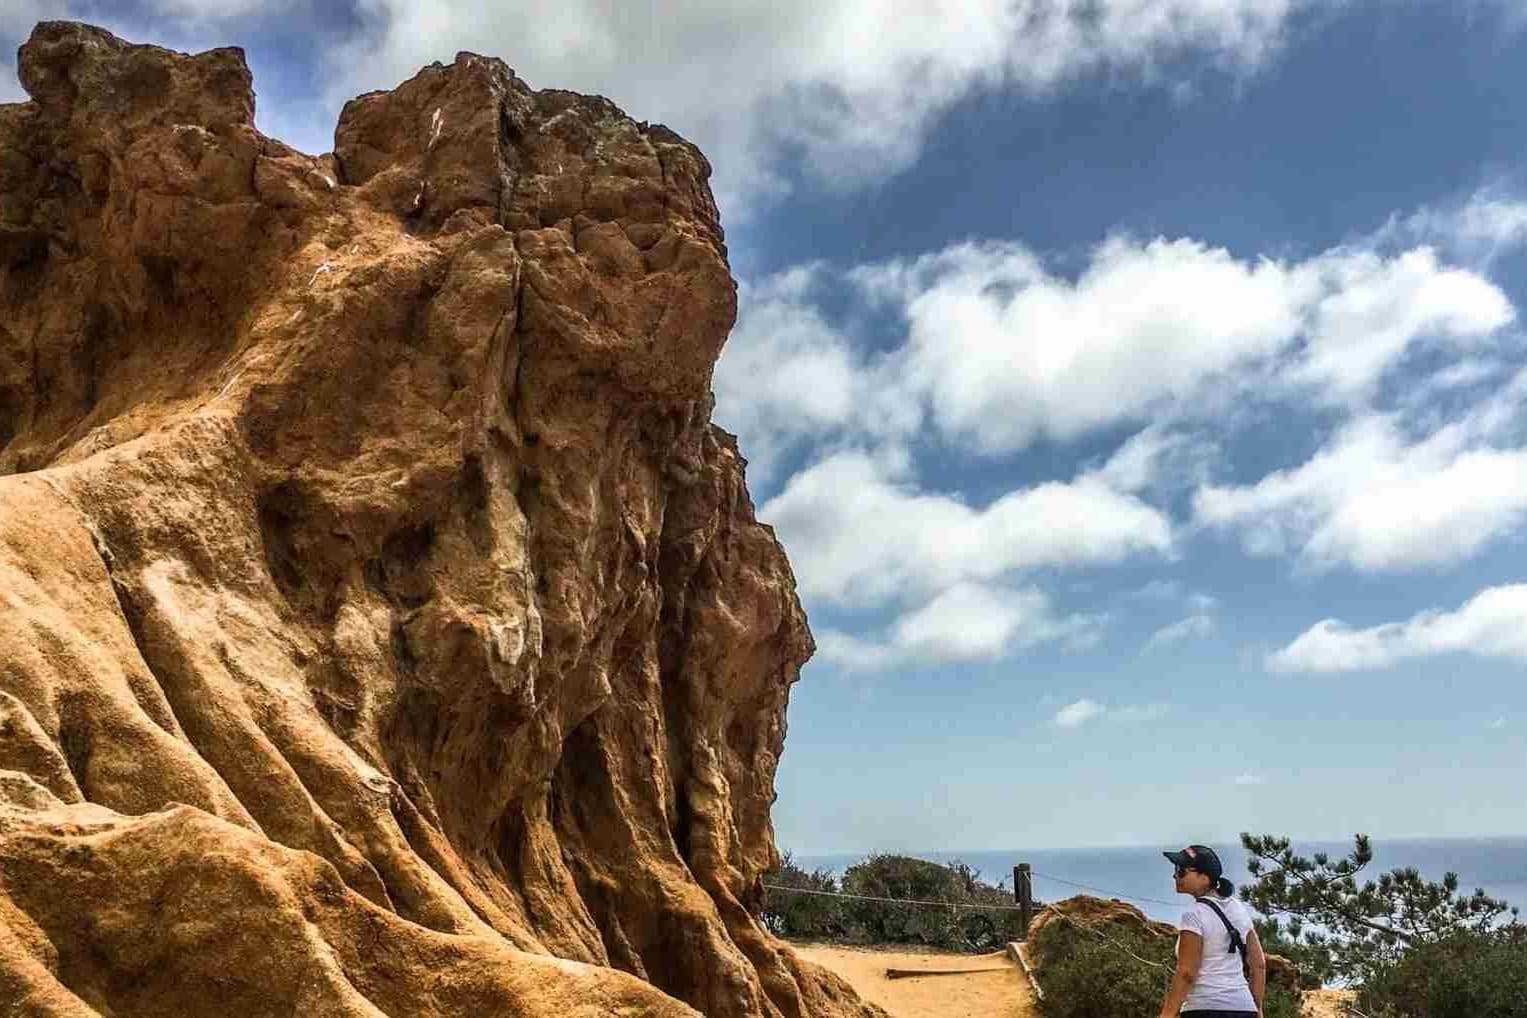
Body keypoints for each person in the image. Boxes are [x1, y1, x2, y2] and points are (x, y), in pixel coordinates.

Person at [1157, 845, 1266, 1018]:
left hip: (1204, 1008)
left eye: (1181, 870)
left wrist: (1166, 1015)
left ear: (1204, 877)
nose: (1175, 875)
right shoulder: (1239, 910)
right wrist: (1258, 1008)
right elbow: (1258, 965)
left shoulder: (1194, 914)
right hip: (1244, 1008)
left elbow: (1186, 972)